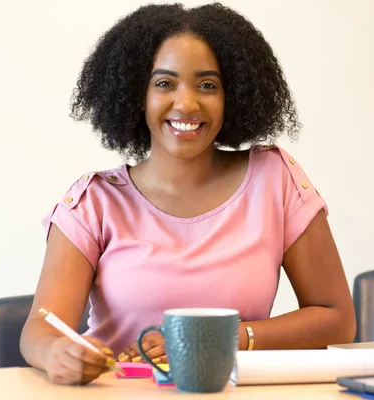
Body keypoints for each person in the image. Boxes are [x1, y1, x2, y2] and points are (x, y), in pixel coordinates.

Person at [19, 2, 356, 386]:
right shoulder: (94, 202)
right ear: (135, 94)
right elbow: (38, 331)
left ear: (234, 94)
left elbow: (336, 318)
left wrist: (230, 338)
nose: (186, 103)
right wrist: (55, 353)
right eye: (164, 83)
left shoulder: (275, 179)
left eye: (207, 85)